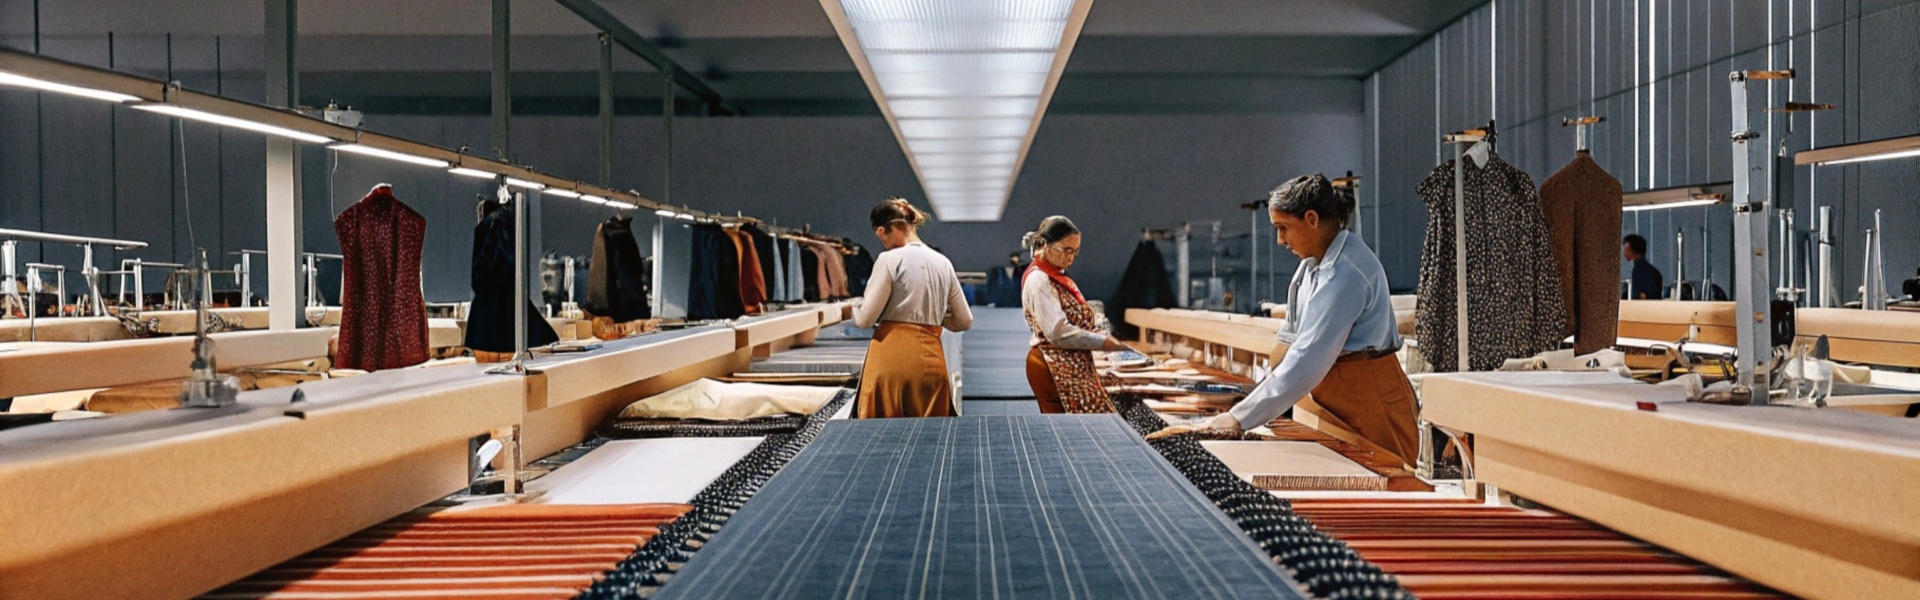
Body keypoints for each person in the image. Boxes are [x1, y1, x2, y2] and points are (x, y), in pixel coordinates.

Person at [1149, 174, 1419, 467]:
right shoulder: (1307, 270)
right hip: (1330, 397)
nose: (1279, 240)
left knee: (1384, 477)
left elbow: (1306, 359)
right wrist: (1243, 400)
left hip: (1369, 400)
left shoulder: (1346, 273)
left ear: (1312, 219)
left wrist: (1239, 417)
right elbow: (1288, 348)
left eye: (1283, 228)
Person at [851, 198, 974, 418]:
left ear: (882, 230)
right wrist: (933, 316)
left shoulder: (889, 259)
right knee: (931, 440)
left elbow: (865, 320)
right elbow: (965, 320)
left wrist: (854, 306)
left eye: (881, 236)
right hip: (931, 361)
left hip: (890, 362)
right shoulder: (943, 262)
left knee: (881, 438)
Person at [1022, 216, 1133, 414]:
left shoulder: (1056, 276)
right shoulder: (1039, 280)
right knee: (1073, 430)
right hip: (1053, 365)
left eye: (1075, 252)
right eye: (1065, 250)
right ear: (1046, 245)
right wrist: (1102, 342)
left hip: (1068, 364)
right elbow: (1058, 331)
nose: (1070, 258)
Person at [1622, 234, 1665, 300]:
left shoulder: (1639, 271)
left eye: (1626, 249)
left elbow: (1640, 296)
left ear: (1633, 250)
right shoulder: (1653, 271)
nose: (1624, 252)